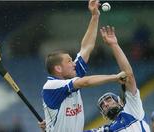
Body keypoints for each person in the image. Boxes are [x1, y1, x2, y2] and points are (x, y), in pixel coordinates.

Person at [40, 0, 127, 132]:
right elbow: (85, 82)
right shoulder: (52, 86)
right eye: (69, 61)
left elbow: (86, 47)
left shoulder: (72, 75)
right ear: (58, 68)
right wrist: (114, 77)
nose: (74, 63)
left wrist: (95, 16)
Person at [85, 26, 151, 132]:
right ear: (103, 114)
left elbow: (128, 76)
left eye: (109, 99)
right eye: (102, 106)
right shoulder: (107, 130)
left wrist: (114, 45)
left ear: (120, 102)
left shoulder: (132, 109)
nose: (105, 104)